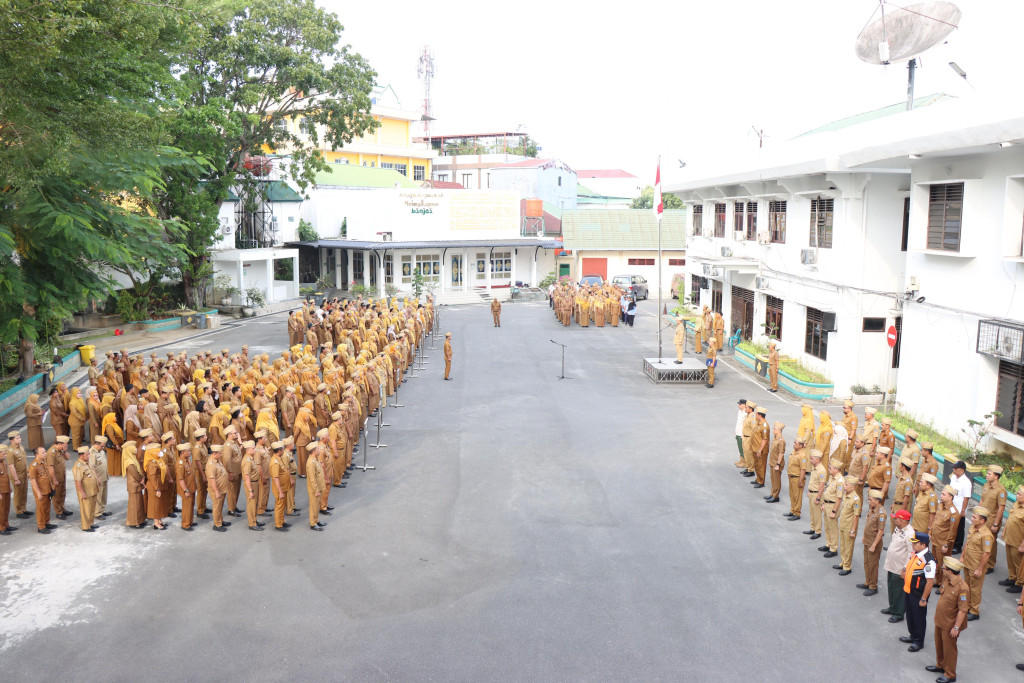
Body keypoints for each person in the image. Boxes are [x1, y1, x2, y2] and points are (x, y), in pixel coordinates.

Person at [927, 556, 970, 683]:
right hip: (940, 620)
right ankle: (940, 665)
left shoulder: (963, 589)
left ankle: (950, 674)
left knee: (949, 649)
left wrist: (956, 627)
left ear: (950, 571)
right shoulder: (947, 579)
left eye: (944, 568)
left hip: (950, 624)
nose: (942, 569)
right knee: (939, 645)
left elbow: (963, 610)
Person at [901, 530, 936, 652]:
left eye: (915, 543)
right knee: (910, 616)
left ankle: (918, 641)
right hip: (909, 590)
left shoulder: (928, 561)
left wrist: (923, 599)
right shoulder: (916, 553)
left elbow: (930, 582)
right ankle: (912, 635)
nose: (913, 545)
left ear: (923, 545)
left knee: (918, 618)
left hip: (918, 594)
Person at [961, 505, 994, 621]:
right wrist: (962, 557)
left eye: (975, 517)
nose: (972, 518)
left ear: (982, 520)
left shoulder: (986, 536)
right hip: (967, 563)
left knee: (975, 589)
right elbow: (967, 543)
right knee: (967, 586)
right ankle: (967, 606)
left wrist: (979, 569)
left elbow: (987, 554)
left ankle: (974, 611)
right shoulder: (972, 528)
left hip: (976, 566)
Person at [883, 509, 915, 622]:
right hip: (892, 565)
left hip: (900, 567)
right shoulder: (899, 529)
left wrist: (905, 569)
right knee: (891, 587)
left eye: (896, 518)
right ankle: (892, 607)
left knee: (899, 591)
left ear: (901, 520)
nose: (894, 519)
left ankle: (898, 613)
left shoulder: (910, 534)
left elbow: (911, 553)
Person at [978, 465, 1007, 574]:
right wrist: (978, 512)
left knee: (990, 543)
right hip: (982, 518)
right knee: (980, 539)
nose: (987, 475)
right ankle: (981, 560)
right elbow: (982, 499)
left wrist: (995, 523)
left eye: (989, 474)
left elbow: (1001, 508)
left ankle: (990, 564)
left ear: (996, 477)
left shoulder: (1001, 490)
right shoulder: (986, 485)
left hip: (991, 520)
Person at [931, 485, 961, 587]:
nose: (941, 496)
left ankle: (943, 584)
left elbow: (952, 531)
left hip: (942, 543)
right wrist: (931, 532)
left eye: (944, 494)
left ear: (951, 497)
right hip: (935, 540)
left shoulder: (954, 513)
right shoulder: (940, 505)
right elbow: (935, 519)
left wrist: (947, 545)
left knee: (943, 565)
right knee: (935, 562)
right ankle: (937, 580)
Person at [859, 490, 887, 596]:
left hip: (873, 543)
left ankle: (873, 586)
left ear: (877, 501)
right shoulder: (872, 509)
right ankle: (867, 582)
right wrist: (864, 536)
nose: (869, 501)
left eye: (871, 500)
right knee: (866, 563)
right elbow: (868, 524)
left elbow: (880, 532)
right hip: (867, 540)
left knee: (873, 565)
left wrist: (874, 545)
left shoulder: (881, 513)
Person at [835, 474, 861, 576]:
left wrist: (853, 530)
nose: (844, 486)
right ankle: (843, 562)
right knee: (843, 546)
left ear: (853, 487)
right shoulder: (846, 495)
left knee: (848, 547)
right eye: (845, 484)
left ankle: (847, 566)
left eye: (847, 485)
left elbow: (856, 516)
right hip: (843, 524)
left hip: (849, 527)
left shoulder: (856, 499)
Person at [1001, 485, 1024, 595]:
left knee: (1018, 564)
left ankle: (1019, 583)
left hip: (1018, 541)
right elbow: (1010, 519)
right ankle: (1012, 578)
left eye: (1020, 494)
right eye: (1017, 493)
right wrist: (1004, 532)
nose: (1017, 495)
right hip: (1009, 538)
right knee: (1010, 560)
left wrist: (1022, 546)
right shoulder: (1016, 504)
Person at [820, 458, 845, 558]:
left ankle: (833, 548)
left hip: (833, 505)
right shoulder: (832, 477)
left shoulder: (840, 481)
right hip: (827, 504)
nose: (828, 468)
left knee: (833, 528)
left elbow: (839, 498)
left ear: (836, 469)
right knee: (827, 526)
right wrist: (823, 504)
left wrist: (834, 511)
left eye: (830, 467)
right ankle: (828, 544)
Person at [71, 446, 99, 532]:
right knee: (86, 510)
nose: (89, 456)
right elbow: (78, 481)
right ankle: (86, 526)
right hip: (86, 492)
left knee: (91, 508)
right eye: (87, 455)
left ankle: (91, 523)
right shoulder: (78, 466)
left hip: (92, 490)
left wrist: (97, 480)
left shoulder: (87, 462)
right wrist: (82, 493)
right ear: (81, 456)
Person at [28, 447, 55, 533]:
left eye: (45, 452)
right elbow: (33, 480)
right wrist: (38, 493)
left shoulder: (44, 462)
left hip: (47, 489)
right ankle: (41, 526)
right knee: (41, 509)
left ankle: (46, 522)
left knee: (47, 508)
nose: (45, 453)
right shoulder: (33, 466)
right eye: (43, 452)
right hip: (41, 491)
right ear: (37, 454)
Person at [803, 450, 826, 540]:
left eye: (812, 459)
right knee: (812, 513)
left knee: (817, 514)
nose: (810, 460)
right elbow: (813, 481)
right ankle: (813, 528)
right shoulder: (814, 467)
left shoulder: (821, 470)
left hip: (817, 494)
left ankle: (818, 531)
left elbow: (821, 486)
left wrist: (818, 498)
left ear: (817, 459)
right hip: (812, 492)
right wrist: (809, 490)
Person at [121, 441, 145, 528]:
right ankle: (134, 522)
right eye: (134, 447)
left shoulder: (133, 458)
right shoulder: (129, 461)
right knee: (134, 504)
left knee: (139, 503)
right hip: (134, 484)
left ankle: (140, 520)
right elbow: (135, 473)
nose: (136, 449)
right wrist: (141, 480)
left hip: (137, 484)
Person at [949, 461, 972, 553]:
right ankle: (950, 543)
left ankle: (957, 546)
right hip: (951, 506)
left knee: (958, 528)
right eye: (953, 468)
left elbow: (966, 498)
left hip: (959, 508)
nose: (953, 470)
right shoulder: (953, 477)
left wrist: (963, 511)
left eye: (956, 468)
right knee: (950, 526)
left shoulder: (966, 482)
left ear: (962, 470)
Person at [205, 445, 229, 532]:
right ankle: (217, 524)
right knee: (217, 507)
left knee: (220, 506)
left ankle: (221, 520)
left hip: (222, 489)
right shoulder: (211, 464)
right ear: (214, 453)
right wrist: (216, 491)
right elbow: (212, 479)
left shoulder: (217, 461)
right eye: (220, 453)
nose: (221, 455)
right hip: (217, 490)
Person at [785, 435, 808, 521]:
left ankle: (797, 513)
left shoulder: (802, 456)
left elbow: (803, 470)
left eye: (796, 443)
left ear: (801, 445)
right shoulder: (794, 451)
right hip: (791, 477)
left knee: (797, 496)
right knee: (792, 495)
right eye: (794, 442)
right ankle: (792, 510)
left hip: (797, 478)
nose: (794, 444)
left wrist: (801, 481)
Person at [175, 443, 197, 530]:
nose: (190, 452)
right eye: (188, 451)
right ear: (182, 452)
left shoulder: (187, 460)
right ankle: (185, 524)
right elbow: (181, 479)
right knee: (187, 506)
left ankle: (190, 521)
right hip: (186, 489)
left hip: (191, 487)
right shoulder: (180, 464)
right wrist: (185, 490)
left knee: (191, 505)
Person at [305, 443, 325, 531]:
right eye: (317, 449)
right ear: (313, 451)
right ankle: (313, 523)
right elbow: (312, 478)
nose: (319, 450)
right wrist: (316, 490)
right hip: (314, 489)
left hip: (319, 487)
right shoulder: (310, 462)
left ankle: (316, 520)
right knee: (313, 506)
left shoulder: (315, 459)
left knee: (317, 505)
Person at [765, 421, 785, 504]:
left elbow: (781, 453)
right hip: (772, 461)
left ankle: (776, 496)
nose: (773, 430)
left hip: (777, 463)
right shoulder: (775, 437)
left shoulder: (781, 440)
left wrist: (778, 464)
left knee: (776, 480)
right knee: (773, 479)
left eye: (774, 429)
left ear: (779, 430)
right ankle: (772, 493)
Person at [750, 406, 769, 488]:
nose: (755, 416)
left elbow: (765, 440)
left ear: (760, 415)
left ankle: (761, 481)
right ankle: (758, 478)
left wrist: (760, 450)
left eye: (756, 414)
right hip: (755, 448)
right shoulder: (759, 423)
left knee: (761, 466)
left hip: (760, 450)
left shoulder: (764, 426)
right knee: (757, 465)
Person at [0, 446, 16, 535]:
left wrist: (9, 486)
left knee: (6, 509)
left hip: (5, 490)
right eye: (3, 453)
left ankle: (6, 524)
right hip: (1, 491)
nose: (5, 455)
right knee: (1, 510)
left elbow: (6, 476)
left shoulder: (3, 462)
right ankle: (1, 527)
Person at [733, 399, 747, 468]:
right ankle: (741, 460)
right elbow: (738, 423)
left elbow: (745, 426)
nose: (739, 405)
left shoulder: (746, 414)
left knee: (743, 448)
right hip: (738, 432)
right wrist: (736, 430)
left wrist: (743, 434)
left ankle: (744, 462)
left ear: (744, 405)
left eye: (740, 404)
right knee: (739, 447)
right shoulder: (739, 412)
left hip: (742, 434)